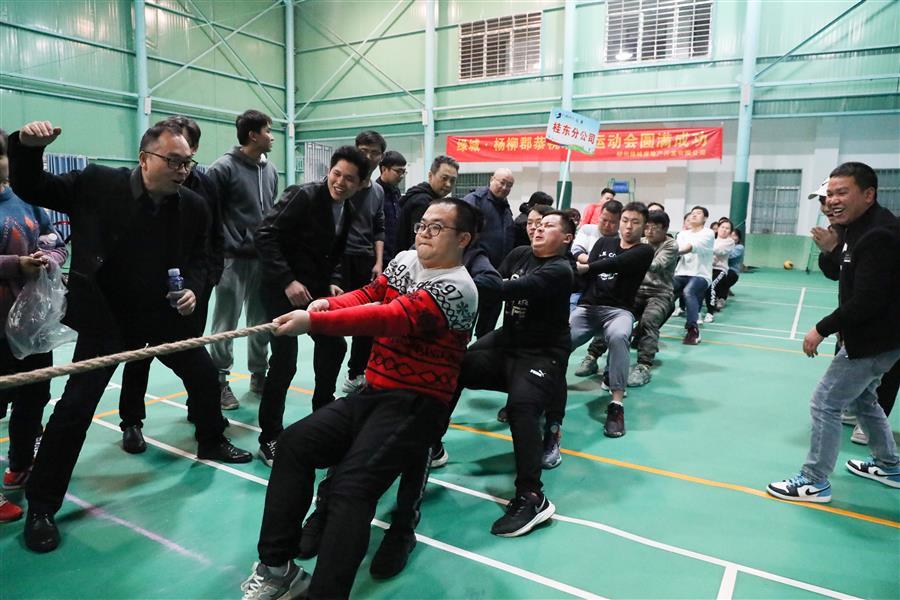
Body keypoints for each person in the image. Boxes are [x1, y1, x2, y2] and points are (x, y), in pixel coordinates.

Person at [9, 119, 252, 553]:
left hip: (162, 317)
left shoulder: (194, 205)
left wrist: (194, 289)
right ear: (144, 158)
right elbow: (33, 186)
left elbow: (201, 257)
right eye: (173, 161)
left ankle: (211, 438)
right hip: (106, 320)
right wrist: (27, 148)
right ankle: (42, 506)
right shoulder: (97, 183)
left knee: (203, 375)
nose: (182, 170)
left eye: (187, 163)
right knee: (75, 409)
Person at [240, 199, 478, 600]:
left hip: (417, 404)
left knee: (352, 488)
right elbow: (373, 293)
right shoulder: (404, 260)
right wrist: (329, 303)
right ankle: (277, 568)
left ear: (463, 239)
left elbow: (391, 316)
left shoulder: (458, 287)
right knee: (295, 444)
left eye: (436, 228)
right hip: (375, 393)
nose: (423, 233)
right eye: (422, 225)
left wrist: (315, 322)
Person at [767, 162, 900, 503]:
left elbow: (868, 300)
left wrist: (821, 328)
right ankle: (889, 465)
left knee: (825, 402)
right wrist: (831, 248)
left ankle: (814, 481)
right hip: (875, 336)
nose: (832, 201)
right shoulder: (854, 228)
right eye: (829, 194)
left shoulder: (879, 235)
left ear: (868, 195)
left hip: (875, 338)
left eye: (842, 193)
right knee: (864, 400)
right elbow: (838, 272)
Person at [452, 211, 575, 539]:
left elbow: (501, 288)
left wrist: (472, 259)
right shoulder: (519, 254)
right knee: (454, 367)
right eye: (538, 224)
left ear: (566, 239)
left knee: (522, 407)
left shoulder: (560, 270)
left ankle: (532, 496)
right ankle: (429, 445)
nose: (539, 228)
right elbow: (493, 285)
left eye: (549, 226)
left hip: (543, 353)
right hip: (508, 342)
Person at [252, 146, 369, 467]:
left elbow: (335, 253)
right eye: (336, 174)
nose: (340, 182)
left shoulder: (348, 209)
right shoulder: (303, 196)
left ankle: (322, 416)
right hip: (280, 290)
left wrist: (332, 280)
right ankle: (269, 437)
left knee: (334, 347)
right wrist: (288, 280)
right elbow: (264, 235)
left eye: (349, 179)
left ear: (361, 184)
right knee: (284, 362)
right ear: (328, 172)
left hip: (314, 291)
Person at [116, 115, 223, 454]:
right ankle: (131, 422)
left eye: (186, 151)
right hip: (141, 299)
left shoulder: (204, 187)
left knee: (199, 366)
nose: (181, 165)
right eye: (173, 155)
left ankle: (205, 423)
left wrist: (201, 284)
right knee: (138, 361)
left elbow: (211, 240)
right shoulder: (132, 190)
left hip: (187, 292)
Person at [0, 129, 68, 523]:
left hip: (31, 325)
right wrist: (15, 265)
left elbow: (56, 241)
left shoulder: (27, 200)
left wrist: (48, 257)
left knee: (33, 397)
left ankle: (20, 464)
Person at [207, 109, 278, 410]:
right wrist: (225, 244)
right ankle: (219, 381)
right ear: (252, 135)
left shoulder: (271, 170)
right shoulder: (222, 168)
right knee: (226, 322)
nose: (272, 137)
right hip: (231, 259)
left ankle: (258, 375)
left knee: (261, 322)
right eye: (268, 131)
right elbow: (209, 214)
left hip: (262, 260)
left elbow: (270, 211)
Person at [571, 202, 653, 437]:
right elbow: (587, 279)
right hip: (589, 307)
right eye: (625, 220)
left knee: (619, 336)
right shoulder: (603, 243)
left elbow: (615, 264)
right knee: (560, 338)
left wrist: (586, 267)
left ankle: (616, 405)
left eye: (635, 222)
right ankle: (541, 389)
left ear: (644, 227)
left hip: (619, 311)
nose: (628, 226)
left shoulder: (644, 251)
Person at [338, 131, 387, 395]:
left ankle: (355, 373)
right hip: (338, 260)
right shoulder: (342, 185)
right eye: (363, 150)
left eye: (374, 152)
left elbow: (379, 228)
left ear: (381, 157)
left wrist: (378, 262)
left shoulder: (378, 191)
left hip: (365, 260)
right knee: (333, 317)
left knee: (366, 319)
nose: (368, 156)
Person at [572, 199, 624, 377]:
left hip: (609, 289)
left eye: (613, 222)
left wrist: (592, 264)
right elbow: (577, 252)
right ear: (599, 216)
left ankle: (599, 363)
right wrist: (599, 264)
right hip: (581, 285)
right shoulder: (587, 229)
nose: (607, 225)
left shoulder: (622, 240)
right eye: (604, 220)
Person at [464, 169, 517, 338]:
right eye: (502, 182)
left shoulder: (505, 207)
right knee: (466, 322)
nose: (505, 187)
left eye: (509, 185)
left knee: (488, 328)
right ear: (492, 179)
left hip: (497, 274)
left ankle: (482, 351)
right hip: (474, 274)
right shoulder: (475, 200)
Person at [395, 155, 458, 254]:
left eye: (452, 180)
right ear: (430, 175)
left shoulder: (427, 198)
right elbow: (419, 241)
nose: (448, 184)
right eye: (444, 178)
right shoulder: (423, 202)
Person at [672, 206, 714, 345]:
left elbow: (689, 247)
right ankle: (647, 327)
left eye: (698, 213)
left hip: (701, 275)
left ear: (705, 218)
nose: (694, 215)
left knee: (688, 291)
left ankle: (693, 330)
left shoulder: (708, 233)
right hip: (681, 273)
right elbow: (677, 247)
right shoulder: (682, 234)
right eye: (692, 213)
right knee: (665, 292)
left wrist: (672, 252)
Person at [377, 150, 407, 263]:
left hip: (395, 256)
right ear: (384, 169)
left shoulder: (396, 192)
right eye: (398, 171)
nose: (402, 176)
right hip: (380, 257)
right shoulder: (375, 193)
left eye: (404, 172)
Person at [703, 218, 735, 323]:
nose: (724, 230)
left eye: (727, 228)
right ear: (718, 228)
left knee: (711, 285)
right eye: (722, 227)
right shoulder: (712, 240)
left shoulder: (730, 241)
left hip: (720, 269)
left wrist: (706, 248)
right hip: (707, 268)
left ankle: (710, 313)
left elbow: (720, 251)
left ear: (730, 231)